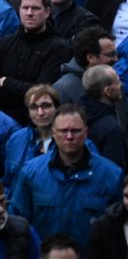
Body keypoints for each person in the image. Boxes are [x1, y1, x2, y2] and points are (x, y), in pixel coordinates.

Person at [10, 104, 121, 250]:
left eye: (75, 131)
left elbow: (119, 231)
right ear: (53, 133)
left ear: (86, 133)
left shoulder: (111, 175)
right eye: (63, 131)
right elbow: (18, 223)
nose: (69, 137)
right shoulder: (31, 172)